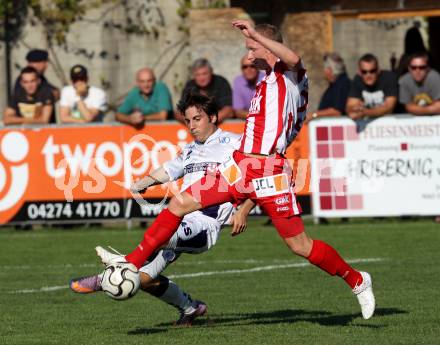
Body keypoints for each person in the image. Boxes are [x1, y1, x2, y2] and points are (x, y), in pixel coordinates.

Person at [94, 20, 376, 320]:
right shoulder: (268, 82)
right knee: (179, 203)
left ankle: (357, 280)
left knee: (300, 245)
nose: (248, 56)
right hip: (240, 164)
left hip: (268, 169)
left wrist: (256, 35)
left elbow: (294, 58)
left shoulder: (288, 76)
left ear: (267, 47)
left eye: (252, 48)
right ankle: (132, 263)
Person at [71, 93, 252, 325]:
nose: (192, 126)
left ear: (214, 117)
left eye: (197, 119)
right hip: (179, 218)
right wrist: (144, 182)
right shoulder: (189, 150)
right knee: (141, 279)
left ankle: (111, 270)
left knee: (164, 235)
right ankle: (190, 309)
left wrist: (244, 209)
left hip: (204, 224)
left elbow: (259, 176)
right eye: (188, 121)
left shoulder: (236, 144)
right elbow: (168, 170)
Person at [346, 54, 398, 120]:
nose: (368, 75)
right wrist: (353, 110)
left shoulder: (389, 78)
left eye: (372, 71)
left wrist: (365, 112)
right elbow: (350, 106)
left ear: (378, 70)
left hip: (389, 123)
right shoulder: (357, 80)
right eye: (364, 72)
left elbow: (389, 108)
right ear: (359, 72)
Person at [180, 58, 233, 123]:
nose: (202, 78)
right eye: (198, 75)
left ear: (211, 72)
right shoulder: (190, 86)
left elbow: (228, 110)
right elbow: (180, 112)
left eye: (204, 74)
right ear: (193, 76)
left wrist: (208, 122)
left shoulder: (221, 83)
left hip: (218, 125)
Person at [306, 52, 351, 122]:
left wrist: (313, 115)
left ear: (330, 70)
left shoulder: (342, 84)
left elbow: (337, 111)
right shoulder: (335, 85)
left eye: (325, 69)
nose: (324, 72)